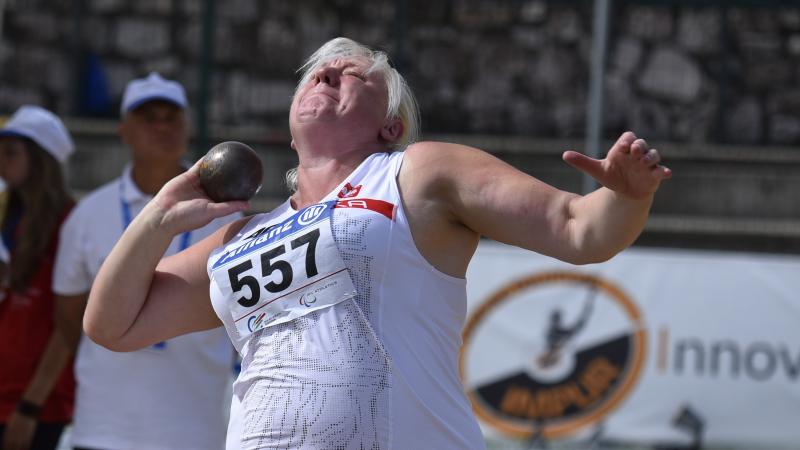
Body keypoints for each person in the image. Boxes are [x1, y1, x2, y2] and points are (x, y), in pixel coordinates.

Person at [82, 38, 672, 449]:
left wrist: (627, 195)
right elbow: (112, 325)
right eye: (319, 71)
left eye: (352, 73)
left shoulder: (416, 172)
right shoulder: (242, 238)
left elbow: (579, 230)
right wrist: (159, 214)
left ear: (390, 126)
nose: (328, 72)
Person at [53, 73, 240, 450]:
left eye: (171, 116)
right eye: (147, 116)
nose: (160, 126)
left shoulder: (228, 217)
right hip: (102, 429)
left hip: (195, 432)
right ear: (123, 130)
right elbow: (70, 316)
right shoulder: (89, 213)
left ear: (187, 127)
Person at [0, 105, 76, 450]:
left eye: (11, 153)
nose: (1, 160)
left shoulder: (70, 223)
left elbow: (66, 327)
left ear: (41, 159)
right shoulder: (7, 217)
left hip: (34, 404)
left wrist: (30, 407)